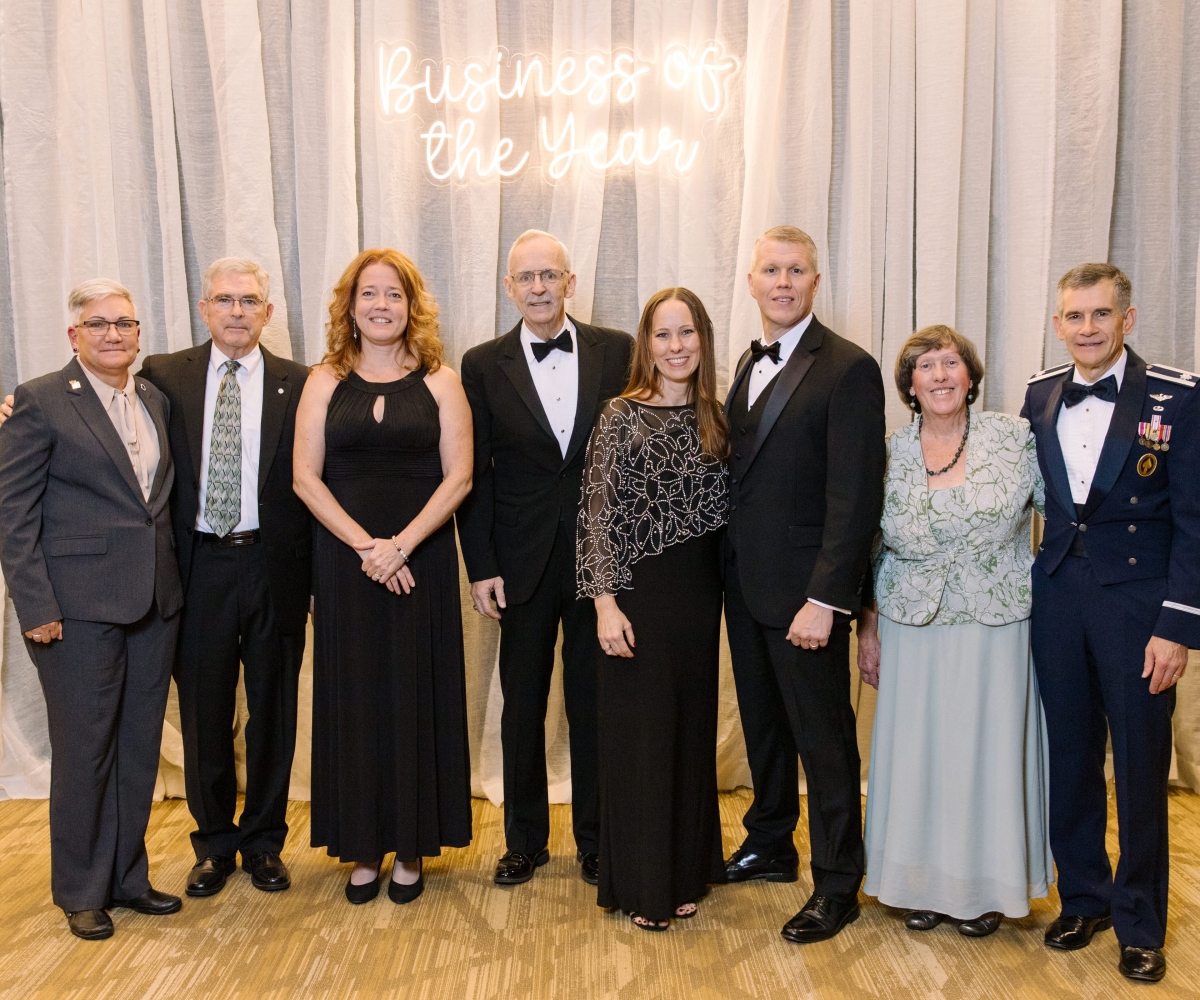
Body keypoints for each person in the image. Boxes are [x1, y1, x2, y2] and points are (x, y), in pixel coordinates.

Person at [1022, 263, 1199, 984]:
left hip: (1138, 606)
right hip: (1059, 596)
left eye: (1100, 315)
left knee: (1136, 766)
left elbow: (1194, 521)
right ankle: (1084, 898)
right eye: (1073, 316)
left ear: (1127, 320)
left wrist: (1179, 626)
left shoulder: (1178, 398)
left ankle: (1141, 921)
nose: (1086, 328)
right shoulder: (1038, 396)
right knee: (1069, 757)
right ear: (1059, 322)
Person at [0, 280, 184, 940]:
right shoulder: (41, 400)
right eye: (99, 324)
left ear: (138, 334)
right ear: (74, 335)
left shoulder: (155, 399)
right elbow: (13, 514)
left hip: (153, 601)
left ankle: (128, 878)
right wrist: (35, 606)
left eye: (125, 323)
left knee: (138, 749)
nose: (113, 334)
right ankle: (80, 889)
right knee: (85, 751)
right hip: (74, 609)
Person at [856, 325, 1053, 938]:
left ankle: (988, 889)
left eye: (951, 363)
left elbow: (1065, 515)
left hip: (998, 625)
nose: (939, 375)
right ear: (909, 385)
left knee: (987, 757)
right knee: (922, 758)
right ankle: (921, 885)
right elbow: (868, 546)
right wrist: (868, 630)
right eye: (925, 366)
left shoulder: (1014, 437)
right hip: (911, 627)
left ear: (971, 376)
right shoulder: (886, 452)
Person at [294, 248, 474, 904]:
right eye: (368, 293)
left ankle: (412, 844)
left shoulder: (440, 381)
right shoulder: (323, 380)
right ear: (350, 306)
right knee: (354, 699)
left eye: (393, 294)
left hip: (418, 562)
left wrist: (399, 546)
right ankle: (362, 845)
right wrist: (367, 548)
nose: (380, 305)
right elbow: (303, 478)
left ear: (411, 305)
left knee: (413, 696)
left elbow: (459, 477)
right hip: (345, 566)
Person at [722, 225, 886, 943]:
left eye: (796, 270)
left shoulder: (848, 367)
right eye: (771, 270)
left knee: (823, 741)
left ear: (815, 283)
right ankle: (770, 843)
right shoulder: (745, 362)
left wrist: (828, 600)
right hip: (745, 585)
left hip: (807, 598)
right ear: (752, 283)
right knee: (763, 728)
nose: (783, 282)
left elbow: (856, 497)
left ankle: (838, 882)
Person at [456, 230, 633, 887]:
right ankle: (524, 841)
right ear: (510, 288)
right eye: (525, 278)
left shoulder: (618, 351)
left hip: (600, 565)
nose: (537, 287)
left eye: (548, 276)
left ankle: (594, 839)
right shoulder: (481, 364)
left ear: (570, 282)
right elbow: (474, 473)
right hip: (519, 562)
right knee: (522, 706)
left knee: (594, 704)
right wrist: (480, 566)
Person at [137, 258, 311, 898]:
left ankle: (265, 841)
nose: (237, 311)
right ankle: (214, 844)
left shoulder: (303, 381)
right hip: (198, 565)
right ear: (204, 308)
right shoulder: (162, 375)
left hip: (275, 567)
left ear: (268, 312)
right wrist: (21, 406)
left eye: (250, 301)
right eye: (224, 300)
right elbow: (109, 419)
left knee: (274, 711)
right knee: (206, 713)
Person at [578, 287, 728, 930]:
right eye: (663, 335)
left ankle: (685, 869)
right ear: (647, 344)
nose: (676, 347)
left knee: (689, 732)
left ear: (703, 339)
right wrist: (605, 605)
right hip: (636, 596)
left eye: (687, 333)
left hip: (699, 598)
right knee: (641, 738)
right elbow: (597, 517)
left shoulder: (718, 415)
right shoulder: (620, 414)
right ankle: (643, 883)